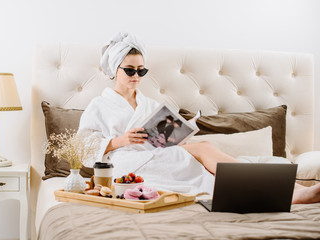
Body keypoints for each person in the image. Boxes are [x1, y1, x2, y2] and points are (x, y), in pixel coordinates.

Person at [78, 32, 320, 204]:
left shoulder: (149, 104)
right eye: (130, 70)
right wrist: (122, 140)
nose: (136, 75)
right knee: (204, 150)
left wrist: (177, 136)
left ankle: (289, 189)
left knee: (203, 154)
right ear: (114, 70)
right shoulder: (98, 106)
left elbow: (164, 140)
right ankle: (288, 189)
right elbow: (82, 150)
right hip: (126, 166)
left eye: (141, 70)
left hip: (158, 155)